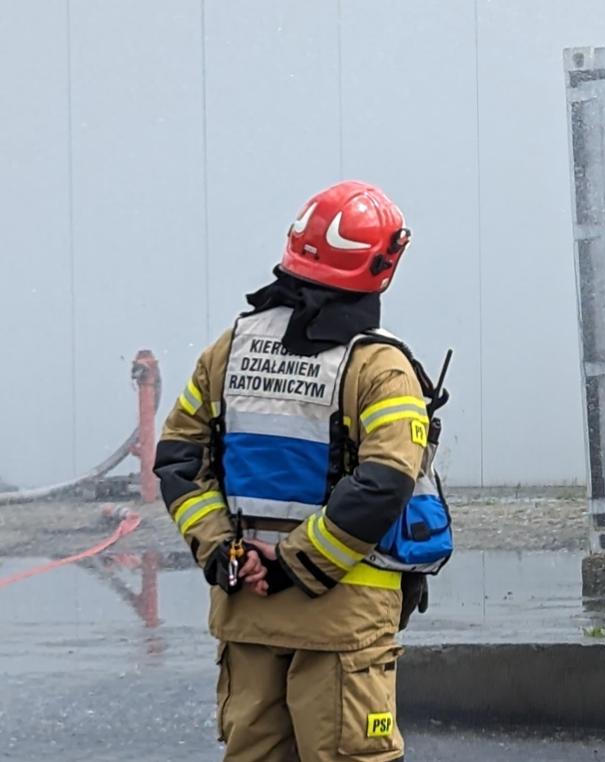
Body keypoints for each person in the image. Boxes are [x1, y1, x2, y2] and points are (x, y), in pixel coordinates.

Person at [154, 180, 451, 762]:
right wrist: (294, 565)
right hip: (342, 619)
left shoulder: (229, 349)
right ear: (380, 263)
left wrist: (226, 554)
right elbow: (385, 482)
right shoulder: (379, 365)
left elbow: (180, 461)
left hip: (247, 613)